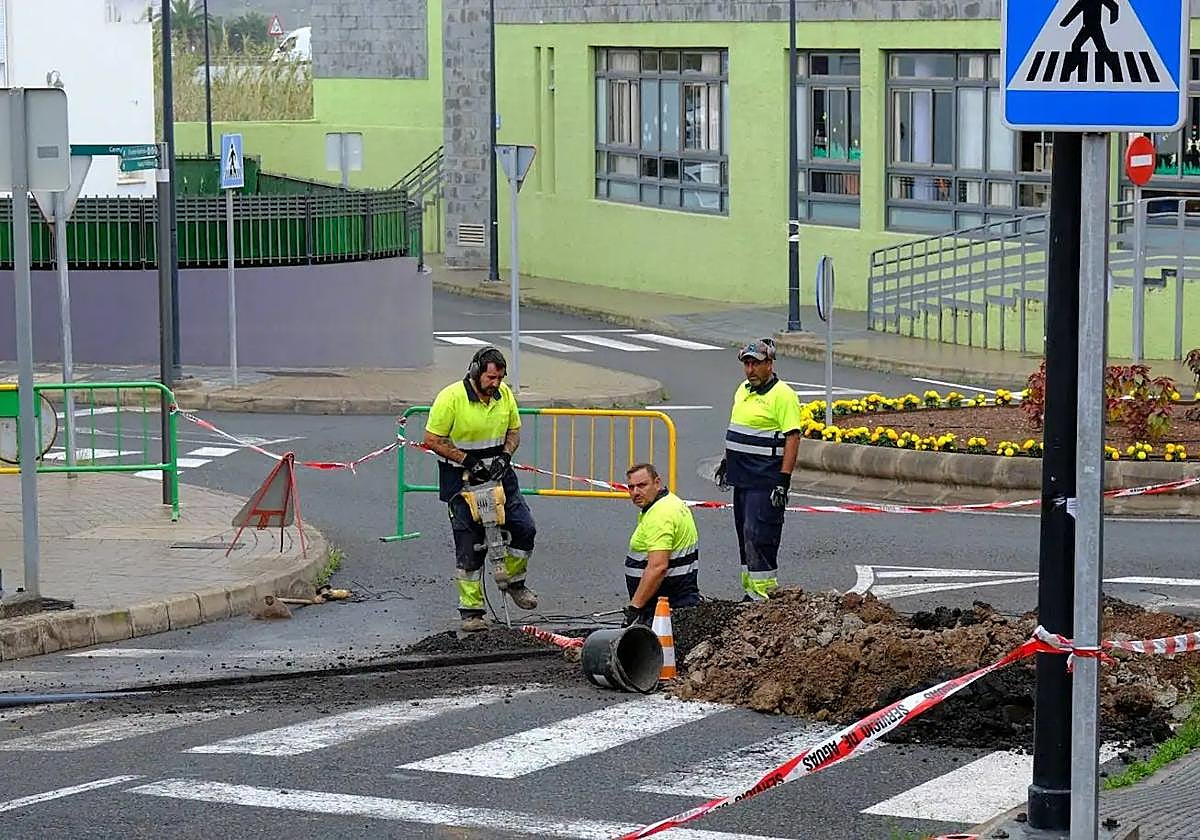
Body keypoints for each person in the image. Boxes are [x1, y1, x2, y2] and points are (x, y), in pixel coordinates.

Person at [423, 346, 538, 633]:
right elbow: (432, 439)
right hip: (461, 480)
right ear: (475, 372)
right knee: (469, 546)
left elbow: (514, 431)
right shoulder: (450, 398)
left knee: (524, 528)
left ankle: (514, 583)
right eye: (490, 378)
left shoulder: (504, 396)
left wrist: (506, 456)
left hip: (500, 476)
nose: (495, 384)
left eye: (500, 378)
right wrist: (467, 460)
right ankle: (471, 611)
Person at [714, 338, 801, 602]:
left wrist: (783, 481)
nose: (750, 369)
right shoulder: (743, 390)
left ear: (769, 364)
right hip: (742, 479)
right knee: (745, 536)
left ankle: (763, 597)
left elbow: (793, 438)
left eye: (756, 364)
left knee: (759, 535)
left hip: (765, 480)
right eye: (747, 364)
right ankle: (750, 593)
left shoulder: (783, 395)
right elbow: (738, 429)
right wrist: (727, 462)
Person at [621, 463, 701, 627]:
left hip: (663, 608)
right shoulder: (671, 502)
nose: (636, 492)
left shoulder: (660, 515)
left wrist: (634, 608)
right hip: (680, 601)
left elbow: (658, 567)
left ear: (657, 482)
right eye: (631, 487)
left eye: (642, 485)